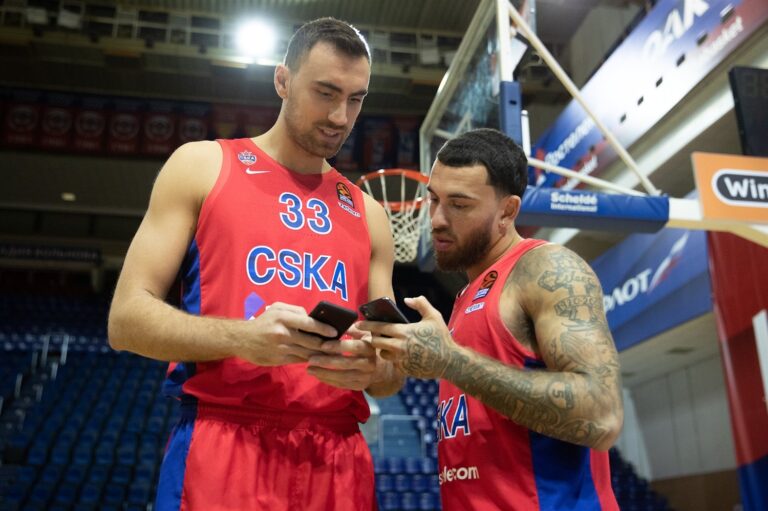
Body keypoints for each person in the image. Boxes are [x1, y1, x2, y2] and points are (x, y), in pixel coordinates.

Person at [108, 17, 403, 511]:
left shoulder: (369, 214)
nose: (340, 116)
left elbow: (390, 376)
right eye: (325, 93)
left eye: (356, 99)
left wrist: (373, 367)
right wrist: (243, 338)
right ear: (282, 80)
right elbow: (125, 320)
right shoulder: (202, 165)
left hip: (337, 456)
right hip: (224, 441)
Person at [363, 128, 624, 510]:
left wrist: (450, 362)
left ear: (507, 211)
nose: (436, 219)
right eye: (434, 199)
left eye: (459, 205)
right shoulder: (466, 297)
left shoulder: (546, 268)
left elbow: (602, 416)